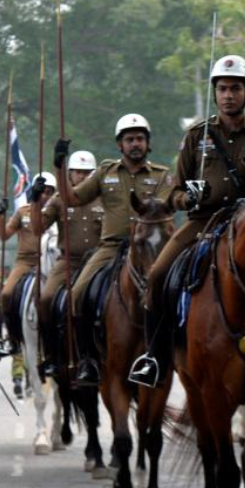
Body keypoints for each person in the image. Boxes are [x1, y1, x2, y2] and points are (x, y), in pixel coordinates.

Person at [128, 55, 245, 387]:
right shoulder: (195, 137)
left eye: (235, 88)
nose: (228, 95)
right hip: (202, 221)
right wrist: (187, 199)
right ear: (215, 93)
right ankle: (155, 358)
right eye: (222, 89)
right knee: (159, 275)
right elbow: (175, 190)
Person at [61, 114, 172, 385]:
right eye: (129, 139)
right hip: (111, 247)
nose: (135, 144)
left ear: (148, 143)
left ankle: (178, 351)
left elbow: (175, 202)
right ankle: (88, 360)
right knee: (76, 294)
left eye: (140, 139)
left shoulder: (162, 176)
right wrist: (59, 166)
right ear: (120, 145)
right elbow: (72, 198)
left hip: (151, 248)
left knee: (180, 289)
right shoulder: (104, 173)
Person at [32, 150, 101, 378]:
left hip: (99, 259)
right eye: (78, 172)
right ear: (69, 175)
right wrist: (34, 202)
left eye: (87, 173)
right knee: (46, 298)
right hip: (68, 262)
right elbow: (37, 228)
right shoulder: (59, 200)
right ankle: (51, 355)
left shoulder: (104, 197)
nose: (83, 177)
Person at [0, 172, 55, 331]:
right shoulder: (23, 212)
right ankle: (11, 332)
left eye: (50, 192)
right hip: (25, 262)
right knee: (6, 294)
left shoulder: (57, 212)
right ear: (35, 191)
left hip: (50, 263)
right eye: (42, 191)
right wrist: (1, 215)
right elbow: (4, 236)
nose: (45, 195)